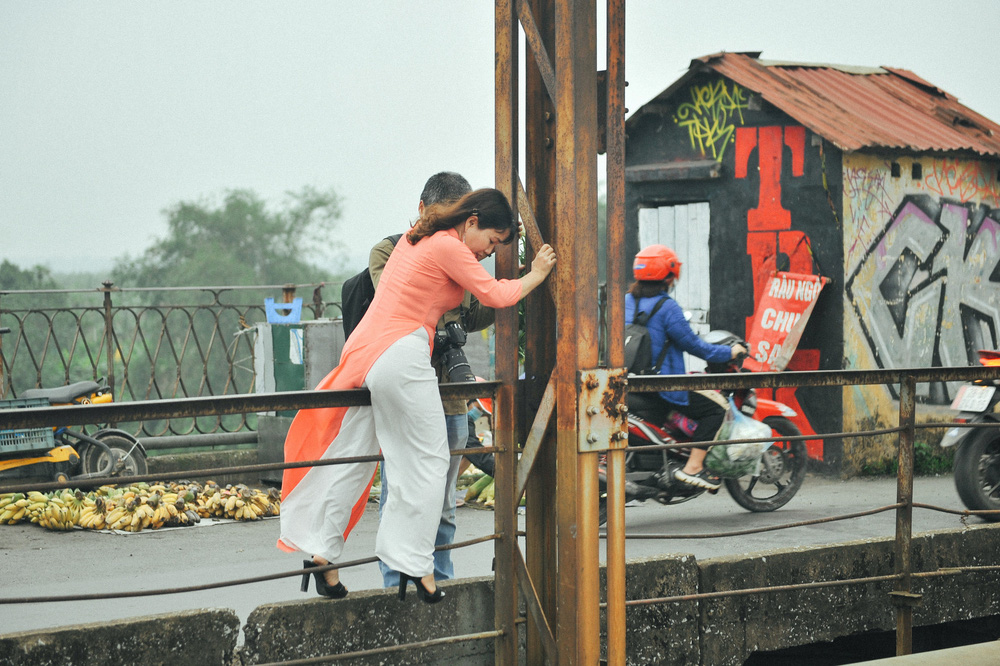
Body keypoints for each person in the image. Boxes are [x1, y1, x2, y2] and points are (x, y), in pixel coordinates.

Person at [278, 187, 556, 605]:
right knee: (429, 459)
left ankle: (323, 556)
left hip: (365, 353)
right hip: (401, 353)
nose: (489, 251)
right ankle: (414, 563)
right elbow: (497, 296)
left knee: (355, 459)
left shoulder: (418, 238)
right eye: (493, 242)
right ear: (472, 222)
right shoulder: (450, 246)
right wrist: (535, 271)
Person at [370, 172, 495, 587]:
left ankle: (438, 578)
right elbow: (400, 308)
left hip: (450, 398)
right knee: (403, 493)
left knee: (443, 502)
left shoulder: (461, 254)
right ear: (424, 210)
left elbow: (474, 314)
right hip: (407, 393)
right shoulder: (391, 250)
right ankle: (397, 583)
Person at [625, 244, 746, 491]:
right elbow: (696, 346)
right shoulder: (667, 307)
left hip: (630, 383)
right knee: (717, 408)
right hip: (662, 388)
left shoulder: (625, 301)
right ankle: (693, 467)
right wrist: (730, 352)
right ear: (669, 275)